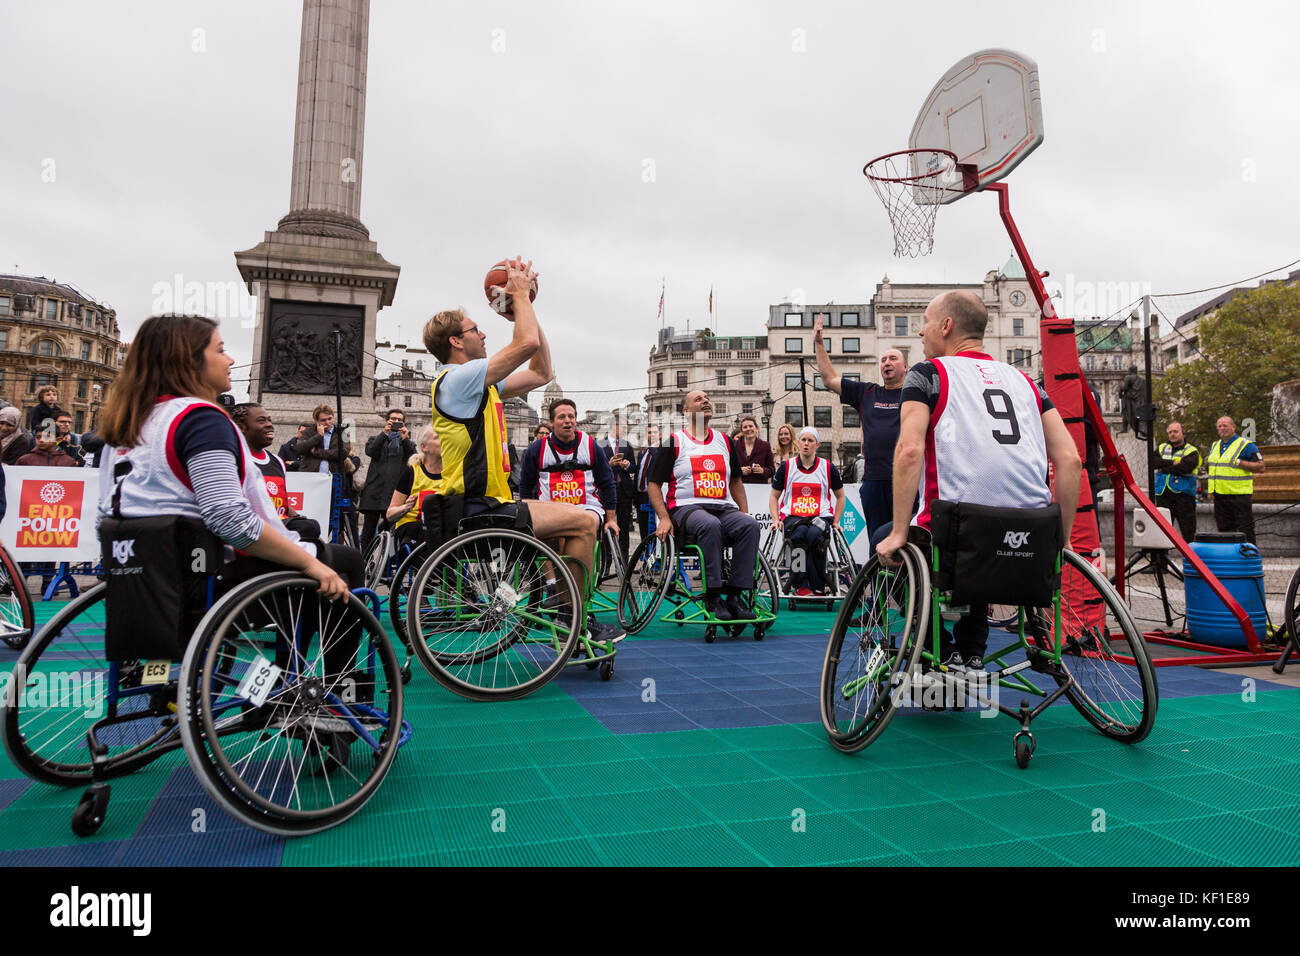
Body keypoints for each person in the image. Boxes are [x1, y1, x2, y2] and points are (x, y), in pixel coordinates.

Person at [94, 315, 359, 643]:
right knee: (346, 561)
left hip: (140, 575)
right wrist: (309, 562)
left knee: (314, 547)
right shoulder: (201, 421)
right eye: (220, 350)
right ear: (189, 360)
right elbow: (230, 519)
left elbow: (104, 513)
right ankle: (337, 685)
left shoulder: (126, 423)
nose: (230, 359)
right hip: (206, 576)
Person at [877, 290, 1081, 674]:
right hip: (1031, 537)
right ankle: (972, 651)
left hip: (958, 531)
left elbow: (908, 450)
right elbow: (1070, 460)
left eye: (925, 321)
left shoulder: (929, 373)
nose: (920, 331)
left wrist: (900, 532)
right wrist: (1061, 540)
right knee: (985, 543)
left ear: (946, 326)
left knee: (893, 540)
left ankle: (939, 647)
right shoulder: (1027, 382)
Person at [422, 257, 623, 642]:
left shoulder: (479, 386)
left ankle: (564, 610)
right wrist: (519, 299)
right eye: (475, 329)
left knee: (574, 523)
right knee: (585, 521)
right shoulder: (457, 379)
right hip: (477, 508)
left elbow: (542, 370)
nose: (483, 335)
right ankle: (573, 620)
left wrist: (527, 304)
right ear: (455, 341)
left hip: (489, 502)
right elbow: (525, 342)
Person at [647, 389, 761, 621]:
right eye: (699, 399)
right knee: (709, 525)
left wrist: (745, 512)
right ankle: (714, 596)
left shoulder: (724, 441)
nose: (706, 401)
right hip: (686, 509)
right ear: (686, 411)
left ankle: (735, 596)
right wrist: (664, 517)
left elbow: (736, 481)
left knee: (750, 525)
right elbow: (653, 484)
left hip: (722, 507)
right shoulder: (674, 442)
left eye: (707, 398)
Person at [815, 315, 909, 544]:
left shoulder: (914, 395)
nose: (887, 362)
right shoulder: (867, 392)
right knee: (877, 541)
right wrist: (818, 343)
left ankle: (908, 580)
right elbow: (829, 379)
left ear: (906, 367)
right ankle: (879, 580)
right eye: (884, 359)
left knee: (906, 540)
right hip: (874, 480)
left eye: (893, 359)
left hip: (906, 480)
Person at [769, 426, 846, 595]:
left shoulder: (827, 467)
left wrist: (837, 520)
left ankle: (817, 583)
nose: (806, 444)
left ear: (817, 445)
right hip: (794, 517)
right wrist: (776, 519)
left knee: (814, 536)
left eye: (810, 440)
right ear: (798, 442)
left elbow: (840, 496)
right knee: (799, 535)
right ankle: (801, 584)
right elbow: (774, 496)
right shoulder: (787, 467)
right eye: (803, 440)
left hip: (820, 517)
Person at [296, 404, 358, 544]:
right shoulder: (309, 432)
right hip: (312, 481)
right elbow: (300, 448)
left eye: (330, 418)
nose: (328, 422)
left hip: (334, 482)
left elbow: (342, 453)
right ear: (317, 421)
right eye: (323, 420)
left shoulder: (342, 432)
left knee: (332, 516)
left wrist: (316, 452)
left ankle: (324, 543)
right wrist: (318, 436)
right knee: (310, 515)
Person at [360, 409, 417, 553]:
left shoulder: (407, 443)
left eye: (399, 420)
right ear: (387, 421)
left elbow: (415, 458)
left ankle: (386, 564)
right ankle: (366, 561)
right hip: (375, 491)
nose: (396, 422)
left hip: (394, 492)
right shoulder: (376, 439)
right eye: (393, 419)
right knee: (368, 530)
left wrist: (405, 439)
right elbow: (371, 451)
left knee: (390, 530)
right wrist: (385, 434)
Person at [1207, 415, 1264, 544]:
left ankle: (1249, 557)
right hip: (1220, 496)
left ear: (1233, 427)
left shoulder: (1247, 445)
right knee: (1224, 531)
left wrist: (1240, 462)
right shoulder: (1214, 446)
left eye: (1225, 425)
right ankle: (1230, 559)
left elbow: (1261, 467)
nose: (1222, 428)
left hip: (1239, 496)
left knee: (1245, 530)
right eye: (1219, 426)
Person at [386, 426, 443, 551]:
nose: (444, 439)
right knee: (426, 528)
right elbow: (390, 514)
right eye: (438, 437)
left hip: (440, 525)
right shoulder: (412, 472)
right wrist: (405, 507)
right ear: (424, 447)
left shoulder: (453, 472)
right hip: (412, 526)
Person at [1154, 421, 1201, 542]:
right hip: (1163, 494)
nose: (1172, 434)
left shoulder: (1191, 451)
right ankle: (1160, 560)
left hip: (1183, 496)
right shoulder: (1162, 447)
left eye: (1175, 431)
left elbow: (1185, 467)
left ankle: (1189, 560)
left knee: (1188, 531)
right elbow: (1153, 462)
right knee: (1161, 532)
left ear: (1183, 433)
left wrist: (1163, 468)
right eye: (1170, 432)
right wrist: (1171, 463)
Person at [600, 418, 638, 565]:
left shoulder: (626, 445)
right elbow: (596, 468)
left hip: (624, 492)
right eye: (623, 426)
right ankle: (606, 562)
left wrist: (627, 465)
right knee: (606, 528)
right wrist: (608, 464)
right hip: (607, 491)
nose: (625, 429)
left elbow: (634, 468)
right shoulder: (600, 444)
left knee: (623, 528)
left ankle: (624, 563)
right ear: (613, 427)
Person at [634, 424, 661, 541]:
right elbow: (638, 472)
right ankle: (646, 554)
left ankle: (655, 555)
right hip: (641, 496)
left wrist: (653, 449)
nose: (653, 434)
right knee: (643, 529)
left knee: (654, 528)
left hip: (654, 495)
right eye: (650, 432)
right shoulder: (642, 453)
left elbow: (659, 466)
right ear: (646, 435)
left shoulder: (662, 450)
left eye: (655, 432)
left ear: (659, 435)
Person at [736, 415, 775, 487]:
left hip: (759, 487)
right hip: (738, 487)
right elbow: (727, 468)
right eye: (745, 427)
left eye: (751, 426)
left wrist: (763, 471)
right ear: (741, 431)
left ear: (757, 428)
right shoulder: (734, 445)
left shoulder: (765, 446)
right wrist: (739, 471)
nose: (748, 429)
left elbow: (772, 470)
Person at [15, 430, 79, 467]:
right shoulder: (24, 460)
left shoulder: (68, 462)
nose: (41, 440)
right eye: (38, 437)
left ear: (58, 439)